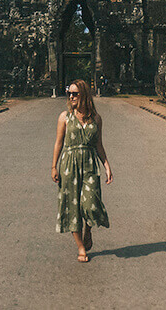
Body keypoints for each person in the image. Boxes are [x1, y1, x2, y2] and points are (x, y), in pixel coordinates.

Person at [51, 78, 112, 263]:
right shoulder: (64, 117)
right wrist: (54, 166)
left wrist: (107, 166)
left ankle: (89, 230)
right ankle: (80, 247)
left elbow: (99, 145)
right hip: (69, 165)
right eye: (69, 93)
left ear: (84, 94)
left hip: (89, 164)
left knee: (90, 203)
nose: (71, 96)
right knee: (72, 207)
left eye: (75, 93)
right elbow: (59, 143)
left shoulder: (96, 119)